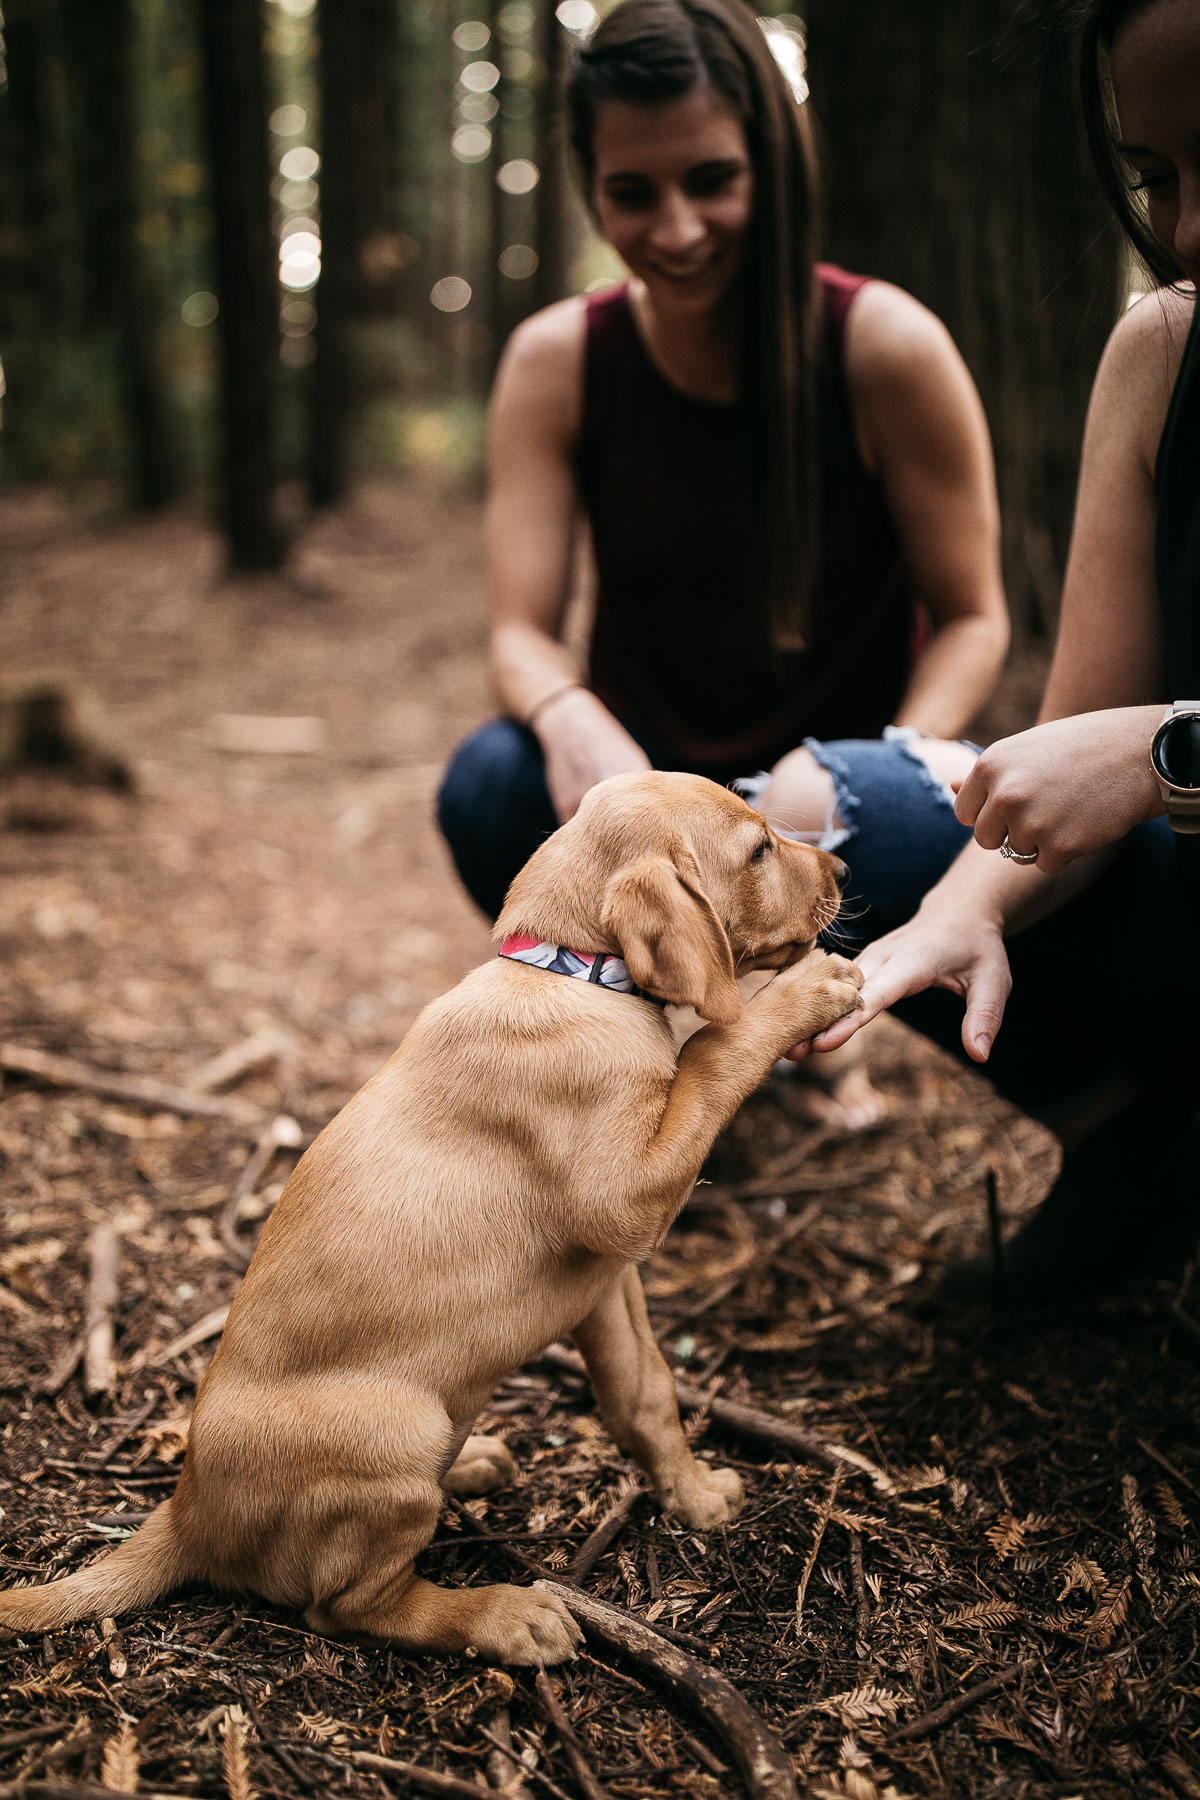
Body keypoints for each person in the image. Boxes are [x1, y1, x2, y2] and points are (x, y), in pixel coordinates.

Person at [437, 0, 1010, 1128]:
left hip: (826, 797)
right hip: (651, 793)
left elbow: (975, 615)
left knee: (921, 806)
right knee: (491, 782)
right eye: (632, 193)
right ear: (589, 185)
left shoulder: (884, 345)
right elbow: (518, 626)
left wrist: (882, 767)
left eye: (714, 179)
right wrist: (569, 720)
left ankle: (820, 1025)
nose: (679, 228)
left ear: (776, 166)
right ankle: (662, 1036)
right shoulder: (560, 361)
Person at [794, 0, 1200, 1296]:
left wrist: (1164, 751)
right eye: (1157, 177)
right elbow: (1065, 771)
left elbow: (1131, 751)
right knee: (822, 812)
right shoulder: (1165, 350)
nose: (1185, 230)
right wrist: (958, 910)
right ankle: (1137, 1154)